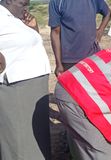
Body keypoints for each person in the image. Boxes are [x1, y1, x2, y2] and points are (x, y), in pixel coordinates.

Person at [0, 0, 51, 159]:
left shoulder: (16, 19)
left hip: (35, 88)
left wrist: (33, 26)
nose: (26, 8)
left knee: (37, 138)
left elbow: (31, 45)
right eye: (22, 4)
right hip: (17, 90)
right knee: (20, 144)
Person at [49, 0, 111, 77]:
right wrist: (58, 63)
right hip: (69, 60)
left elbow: (107, 13)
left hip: (92, 57)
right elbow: (55, 32)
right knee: (72, 88)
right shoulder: (57, 2)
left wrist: (100, 31)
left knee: (92, 87)